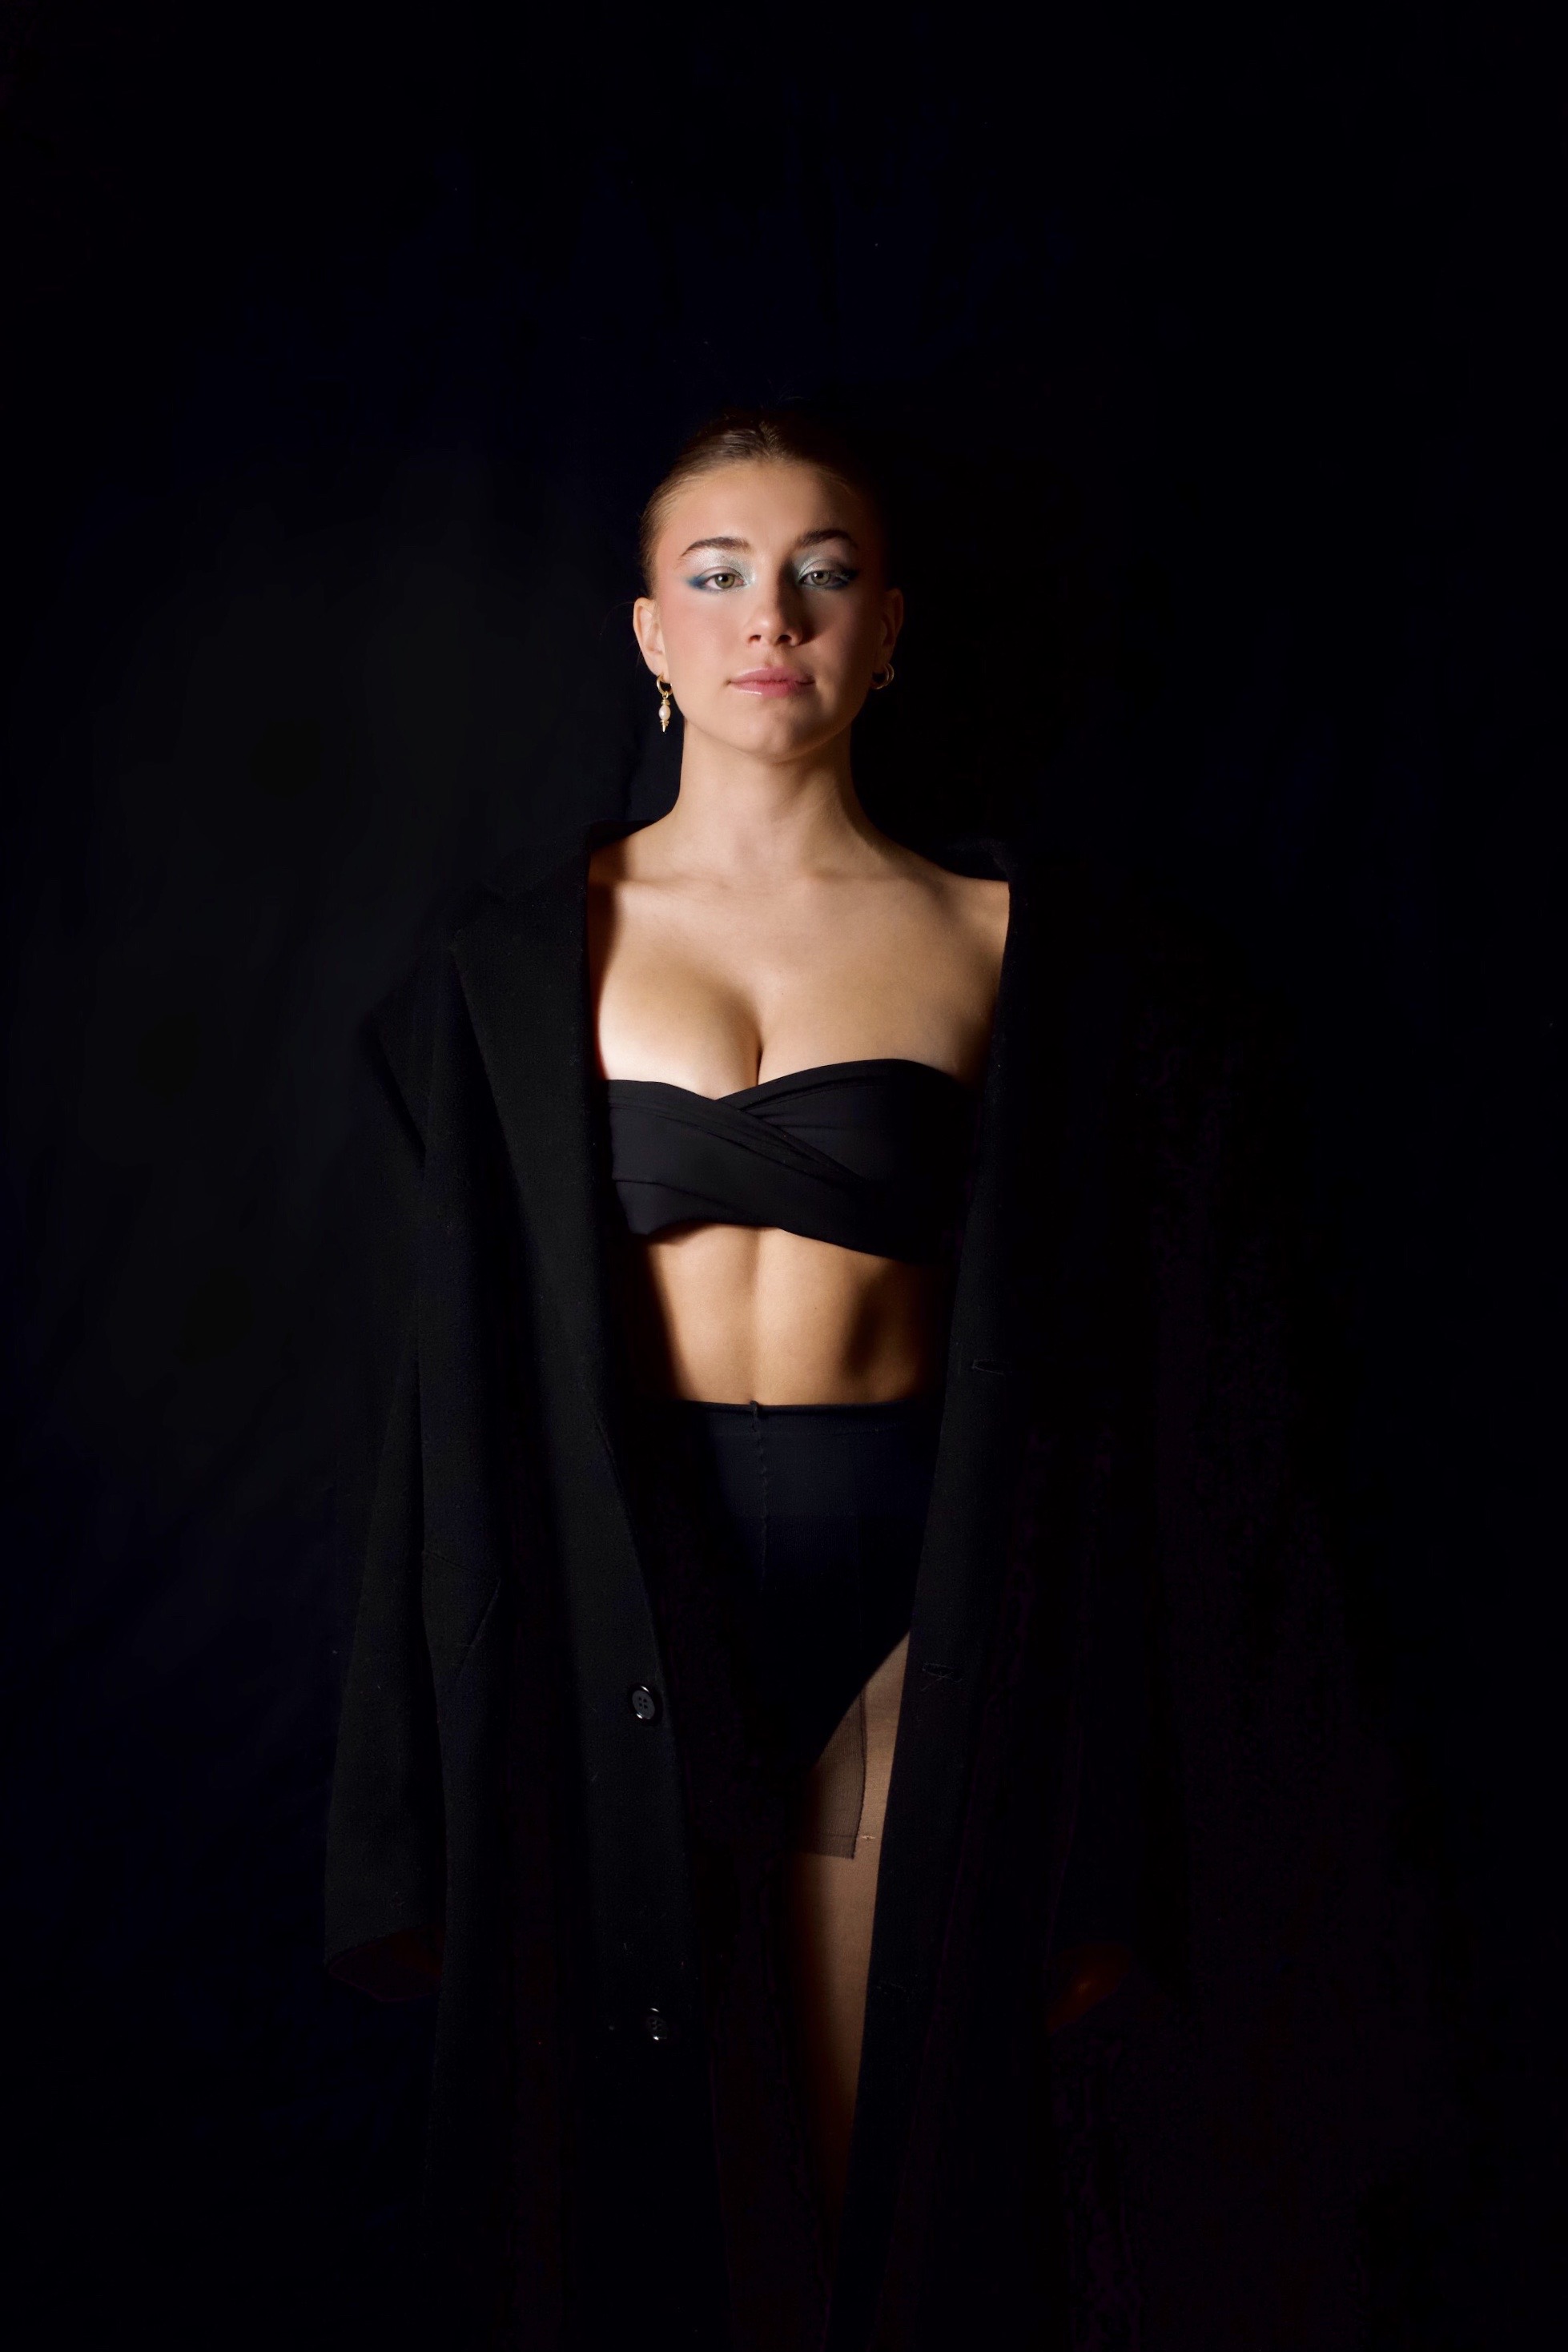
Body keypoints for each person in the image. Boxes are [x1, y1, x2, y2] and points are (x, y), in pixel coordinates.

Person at [326, 411, 1401, 2350]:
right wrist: (403, 1812)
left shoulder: (1013, 948)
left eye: (821, 573)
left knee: (874, 2142)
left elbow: (1145, 1383)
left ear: (886, 628)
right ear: (649, 634)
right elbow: (438, 1399)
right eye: (719, 575)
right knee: (636, 2153)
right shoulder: (521, 960)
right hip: (619, 1590)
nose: (773, 616)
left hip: (909, 1593)